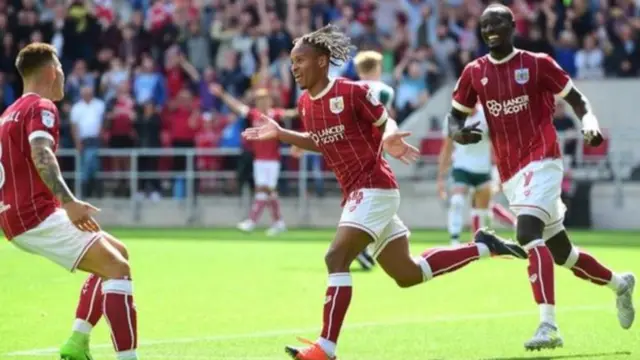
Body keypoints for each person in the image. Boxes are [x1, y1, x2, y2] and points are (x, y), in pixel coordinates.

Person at [242, 24, 528, 360]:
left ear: (322, 61)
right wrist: (281, 134)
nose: (295, 68)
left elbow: (384, 120)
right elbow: (321, 142)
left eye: (300, 60)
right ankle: (483, 247)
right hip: (356, 193)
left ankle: (325, 348)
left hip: (374, 186)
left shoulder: (351, 92)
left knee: (335, 258)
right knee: (408, 273)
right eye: (292, 63)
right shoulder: (305, 104)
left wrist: (389, 135)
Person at [447, 4, 635, 351]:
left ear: (513, 25)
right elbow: (454, 118)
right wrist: (458, 133)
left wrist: (589, 122)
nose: (490, 29)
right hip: (510, 172)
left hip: (543, 161)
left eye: (498, 22)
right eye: (485, 24)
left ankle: (548, 325)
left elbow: (578, 100)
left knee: (526, 233)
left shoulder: (537, 64)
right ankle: (620, 284)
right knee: (562, 253)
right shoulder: (474, 72)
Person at [0, 43, 139, 360]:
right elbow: (41, 152)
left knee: (116, 252)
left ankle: (77, 341)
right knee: (118, 269)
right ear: (51, 72)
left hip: (16, 216)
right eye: (61, 69)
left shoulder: (8, 114)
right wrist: (70, 201)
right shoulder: (42, 107)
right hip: (36, 214)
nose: (63, 75)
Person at [211, 84, 297, 236]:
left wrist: (308, 105)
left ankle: (252, 221)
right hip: (259, 159)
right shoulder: (254, 114)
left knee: (264, 189)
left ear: (270, 101)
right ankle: (278, 222)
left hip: (272, 159)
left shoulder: (275, 114)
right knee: (268, 191)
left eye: (264, 99)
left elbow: (292, 114)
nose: (262, 102)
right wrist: (223, 94)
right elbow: (237, 106)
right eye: (259, 99)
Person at [438, 103, 516, 245]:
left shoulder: (487, 117)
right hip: (461, 167)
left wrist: (501, 171)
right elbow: (447, 148)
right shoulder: (454, 118)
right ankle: (454, 241)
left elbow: (497, 146)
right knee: (457, 201)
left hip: (482, 169)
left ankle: (483, 241)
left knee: (483, 211)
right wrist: (441, 178)